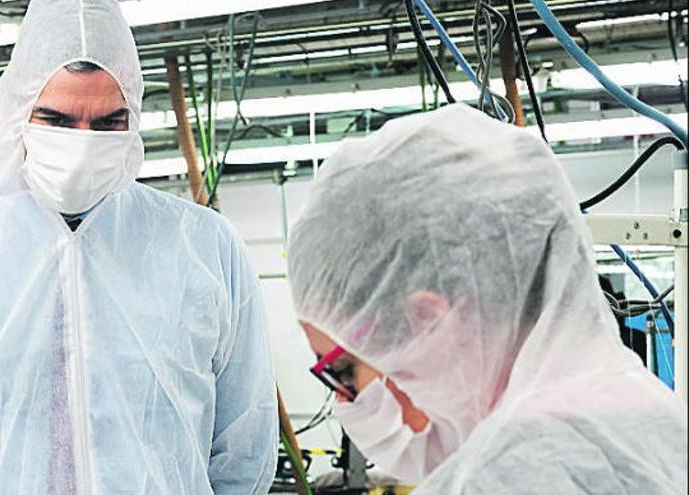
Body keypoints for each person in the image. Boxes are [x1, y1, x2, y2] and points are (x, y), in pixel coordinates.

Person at [0, 0, 277, 493]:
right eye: (57, 119)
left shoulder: (206, 252)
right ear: (17, 111)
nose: (83, 144)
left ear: (133, 114)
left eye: (109, 122)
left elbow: (244, 449)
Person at [287, 104, 688, 493]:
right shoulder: (660, 422)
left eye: (342, 370)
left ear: (426, 319)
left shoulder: (503, 476)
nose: (346, 400)